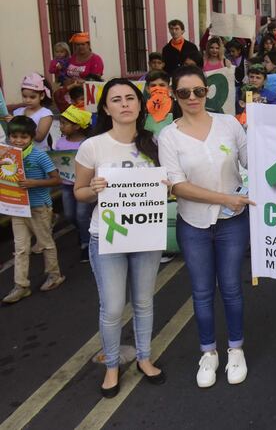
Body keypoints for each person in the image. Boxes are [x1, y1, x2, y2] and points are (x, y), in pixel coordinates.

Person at [159, 65, 252, 388]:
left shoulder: (228, 124)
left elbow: (253, 160)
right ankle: (208, 352)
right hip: (193, 223)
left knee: (231, 288)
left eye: (198, 91)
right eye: (184, 93)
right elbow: (177, 186)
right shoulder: (168, 136)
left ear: (208, 91)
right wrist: (224, 197)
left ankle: (236, 349)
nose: (192, 98)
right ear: (174, 95)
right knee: (201, 292)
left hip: (232, 223)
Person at [74, 78, 165, 397]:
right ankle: (111, 365)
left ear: (140, 105)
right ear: (105, 108)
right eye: (116, 99)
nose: (125, 104)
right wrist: (93, 191)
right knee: (112, 307)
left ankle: (144, 358)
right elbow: (79, 193)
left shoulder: (154, 143)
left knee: (143, 302)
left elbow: (164, 186)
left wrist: (164, 189)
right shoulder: (93, 146)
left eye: (130, 98)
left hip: (146, 236)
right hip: (107, 237)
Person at [1, 116, 63, 304]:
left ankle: (54, 275)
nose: (18, 140)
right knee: (20, 248)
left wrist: (34, 183)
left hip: (38, 206)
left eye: (23, 137)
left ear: (31, 137)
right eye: (14, 136)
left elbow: (56, 179)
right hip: (17, 208)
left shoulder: (39, 155)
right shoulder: (6, 155)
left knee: (45, 243)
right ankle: (21, 285)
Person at [53, 105, 93, 262]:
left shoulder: (87, 143)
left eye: (64, 123)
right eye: (61, 123)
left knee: (82, 215)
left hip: (85, 185)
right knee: (70, 215)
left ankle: (86, 244)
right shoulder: (60, 142)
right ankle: (83, 232)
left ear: (77, 126)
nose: (61, 126)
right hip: (67, 185)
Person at [10, 73, 54, 151]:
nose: (27, 100)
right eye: (24, 96)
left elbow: (40, 137)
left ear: (42, 96)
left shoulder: (45, 114)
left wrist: (18, 124)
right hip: (20, 153)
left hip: (39, 155)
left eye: (32, 97)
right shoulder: (17, 112)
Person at [144, 70, 176, 136]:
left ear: (169, 88)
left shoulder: (176, 105)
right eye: (153, 85)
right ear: (147, 89)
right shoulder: (142, 107)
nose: (157, 88)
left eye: (162, 85)